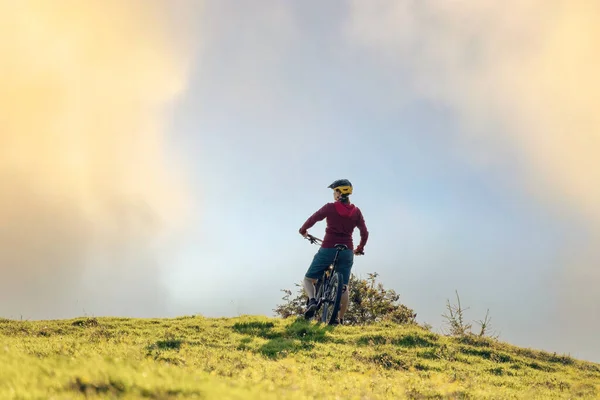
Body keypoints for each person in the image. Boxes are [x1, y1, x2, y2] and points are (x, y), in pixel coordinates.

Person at [298, 179, 369, 324]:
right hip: (347, 250)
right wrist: (359, 248)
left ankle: (312, 301)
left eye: (334, 191)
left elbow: (314, 218)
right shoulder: (356, 212)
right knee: (343, 286)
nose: (333, 194)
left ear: (338, 193)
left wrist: (303, 230)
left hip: (328, 247)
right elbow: (364, 233)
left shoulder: (330, 207)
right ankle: (339, 318)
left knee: (308, 279)